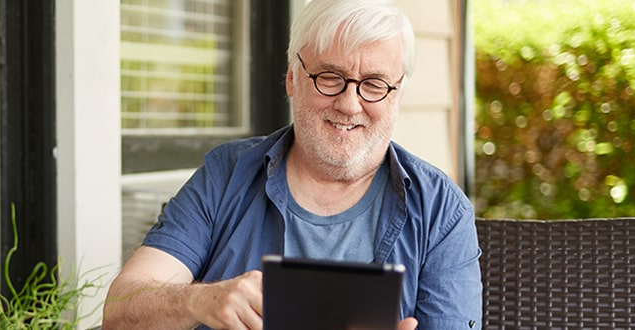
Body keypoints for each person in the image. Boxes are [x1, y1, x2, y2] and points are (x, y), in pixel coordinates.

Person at [103, 0, 482, 329]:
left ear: (398, 94)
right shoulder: (225, 174)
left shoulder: (440, 211)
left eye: (374, 84)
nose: (350, 105)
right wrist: (199, 300)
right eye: (329, 77)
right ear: (291, 78)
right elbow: (119, 314)